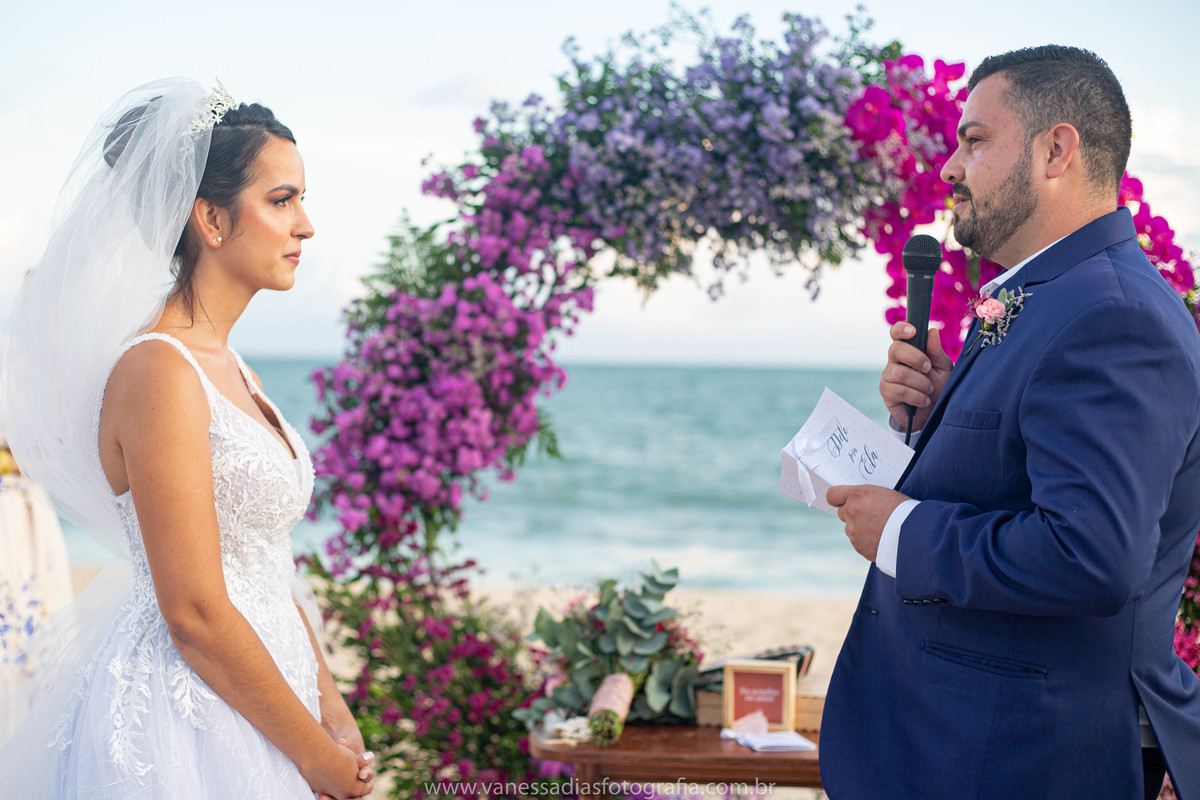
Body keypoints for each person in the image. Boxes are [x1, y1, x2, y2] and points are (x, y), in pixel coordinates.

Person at [821, 46, 1200, 799]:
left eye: (975, 139)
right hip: (954, 744)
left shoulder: (1113, 314)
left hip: (1016, 757)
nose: (951, 167)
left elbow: (1089, 553)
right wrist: (924, 424)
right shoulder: (1048, 295)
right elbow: (1013, 480)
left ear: (1055, 149)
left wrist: (900, 532)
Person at [0, 79, 374, 799]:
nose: (307, 226)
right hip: (191, 720)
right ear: (210, 217)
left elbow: (267, 565)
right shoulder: (157, 373)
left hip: (273, 695)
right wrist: (315, 757)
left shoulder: (232, 367)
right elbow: (194, 611)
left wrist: (329, 707)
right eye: (282, 199)